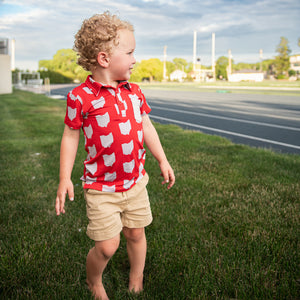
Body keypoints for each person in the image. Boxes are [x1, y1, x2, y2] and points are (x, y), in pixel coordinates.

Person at [55, 12, 175, 300]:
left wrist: (162, 158)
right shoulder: (80, 97)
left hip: (135, 182)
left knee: (136, 233)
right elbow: (71, 136)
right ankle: (94, 281)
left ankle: (137, 276)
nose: (135, 59)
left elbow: (146, 126)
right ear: (104, 59)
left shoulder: (134, 92)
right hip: (100, 187)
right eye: (130, 52)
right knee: (107, 245)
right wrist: (64, 178)